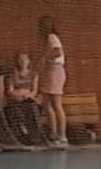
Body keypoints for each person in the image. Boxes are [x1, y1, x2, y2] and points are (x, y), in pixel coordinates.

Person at [37, 16, 67, 148]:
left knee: (56, 104)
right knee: (46, 103)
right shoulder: (47, 39)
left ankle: (62, 136)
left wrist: (44, 57)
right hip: (50, 71)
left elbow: (57, 52)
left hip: (55, 71)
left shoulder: (52, 37)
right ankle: (53, 134)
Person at [4, 53, 42, 147]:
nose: (23, 62)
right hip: (16, 99)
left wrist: (27, 95)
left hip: (28, 99)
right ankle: (20, 136)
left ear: (28, 61)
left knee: (33, 109)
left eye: (25, 59)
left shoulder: (33, 74)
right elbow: (10, 91)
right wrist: (19, 95)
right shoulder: (12, 75)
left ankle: (35, 137)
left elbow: (34, 90)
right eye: (20, 60)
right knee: (14, 111)